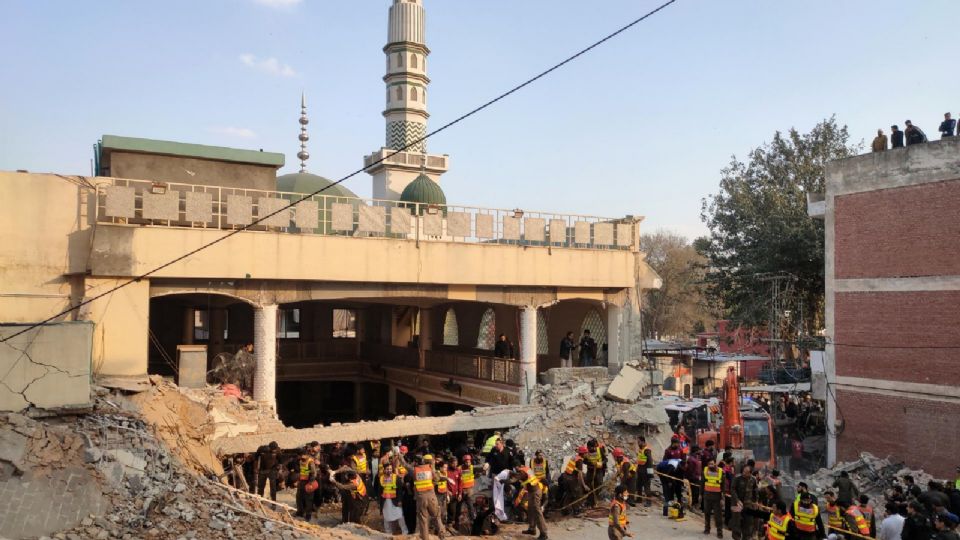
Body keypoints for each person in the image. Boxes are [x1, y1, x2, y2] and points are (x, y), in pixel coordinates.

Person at [413, 454, 445, 540]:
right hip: (431, 497)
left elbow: (405, 464)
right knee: (437, 516)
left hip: (421, 498)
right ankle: (442, 536)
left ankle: (425, 538)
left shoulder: (414, 470)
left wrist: (399, 456)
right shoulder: (430, 469)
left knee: (423, 520)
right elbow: (437, 479)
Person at [730, 463, 758, 540]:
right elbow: (732, 489)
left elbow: (755, 491)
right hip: (736, 503)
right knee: (736, 521)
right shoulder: (737, 478)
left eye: (746, 472)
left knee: (748, 522)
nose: (744, 473)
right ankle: (736, 537)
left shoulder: (753, 479)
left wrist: (756, 501)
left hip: (748, 504)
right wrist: (737, 500)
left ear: (750, 473)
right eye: (743, 471)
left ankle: (746, 537)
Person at [519, 467, 549, 540]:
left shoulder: (523, 471)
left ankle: (544, 533)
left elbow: (517, 478)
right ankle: (532, 529)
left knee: (537, 512)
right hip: (531, 492)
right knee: (531, 510)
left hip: (535, 493)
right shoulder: (525, 469)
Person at [379, 461, 408, 534]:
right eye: (387, 469)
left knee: (400, 516)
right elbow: (379, 490)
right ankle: (388, 533)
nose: (389, 470)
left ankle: (405, 532)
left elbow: (400, 490)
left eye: (390, 469)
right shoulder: (381, 478)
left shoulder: (396, 478)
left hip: (395, 501)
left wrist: (400, 501)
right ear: (384, 470)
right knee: (386, 517)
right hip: (385, 501)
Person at [558, 447, 589, 516]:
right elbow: (580, 475)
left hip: (565, 476)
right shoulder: (580, 460)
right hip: (571, 479)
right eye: (586, 453)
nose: (587, 454)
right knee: (578, 493)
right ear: (583, 454)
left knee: (569, 494)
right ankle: (576, 511)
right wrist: (584, 486)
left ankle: (565, 510)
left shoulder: (575, 456)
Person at [702, 457, 724, 538]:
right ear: (707, 465)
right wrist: (701, 495)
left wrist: (722, 498)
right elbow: (702, 483)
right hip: (707, 496)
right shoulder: (705, 471)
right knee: (707, 513)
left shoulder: (721, 471)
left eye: (712, 463)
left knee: (718, 516)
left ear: (715, 463)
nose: (711, 465)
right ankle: (707, 529)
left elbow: (723, 486)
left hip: (717, 497)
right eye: (709, 464)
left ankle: (719, 532)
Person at [295, 453, 318, 522]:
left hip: (308, 482)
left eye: (304, 455)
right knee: (299, 497)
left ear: (307, 456)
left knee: (308, 499)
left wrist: (310, 483)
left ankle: (308, 515)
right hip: (302, 481)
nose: (302, 457)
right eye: (301, 455)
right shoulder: (301, 461)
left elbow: (314, 473)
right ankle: (300, 512)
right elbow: (302, 471)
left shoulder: (310, 462)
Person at [584, 438, 607, 507]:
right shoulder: (586, 452)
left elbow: (605, 459)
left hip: (599, 470)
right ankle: (589, 501)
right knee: (589, 485)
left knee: (599, 484)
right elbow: (584, 461)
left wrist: (602, 463)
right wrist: (590, 463)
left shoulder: (600, 450)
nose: (592, 449)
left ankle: (594, 499)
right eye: (590, 448)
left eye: (593, 447)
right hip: (590, 470)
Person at [460, 454, 477, 524]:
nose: (468, 463)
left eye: (469, 462)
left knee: (470, 505)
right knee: (458, 506)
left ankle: (473, 520)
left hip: (469, 490)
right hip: (461, 490)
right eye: (466, 462)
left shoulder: (472, 467)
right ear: (464, 462)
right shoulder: (460, 468)